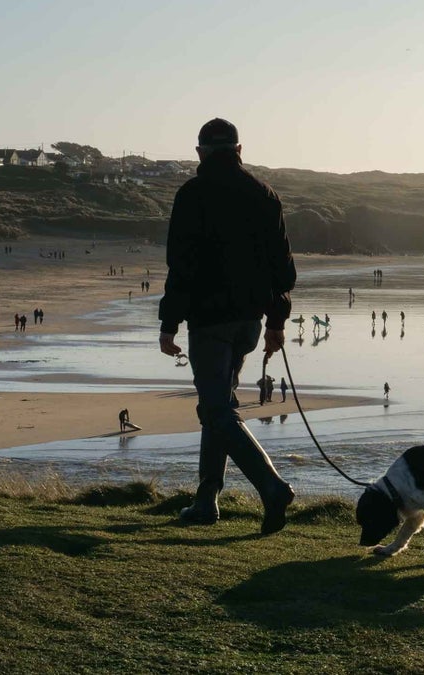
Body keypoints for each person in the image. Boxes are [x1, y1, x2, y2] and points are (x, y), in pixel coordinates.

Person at [158, 118, 297, 533]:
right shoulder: (264, 195)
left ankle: (272, 486)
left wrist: (169, 323)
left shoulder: (192, 195)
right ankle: (206, 502)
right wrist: (276, 321)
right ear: (239, 150)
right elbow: (283, 271)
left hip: (210, 321)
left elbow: (180, 266)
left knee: (215, 408)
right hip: (249, 323)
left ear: (200, 152)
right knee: (220, 406)